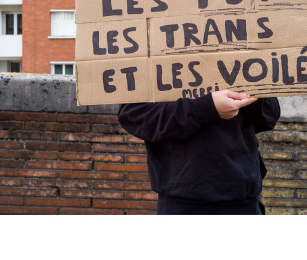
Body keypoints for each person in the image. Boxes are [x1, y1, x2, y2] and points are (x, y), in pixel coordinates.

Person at [117, 89, 279, 214]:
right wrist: (206, 108)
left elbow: (269, 119)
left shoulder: (244, 56)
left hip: (244, 196)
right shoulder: (153, 56)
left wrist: (252, 94)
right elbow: (134, 116)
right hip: (184, 199)